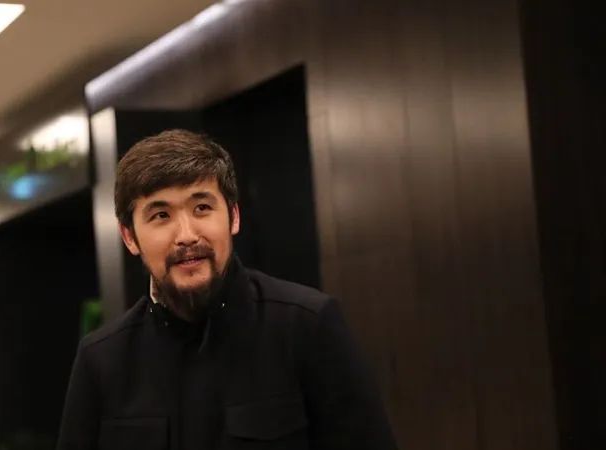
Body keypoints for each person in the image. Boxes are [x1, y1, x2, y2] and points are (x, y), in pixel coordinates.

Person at [57, 129, 397, 450]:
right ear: (129, 237)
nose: (186, 235)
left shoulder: (306, 326)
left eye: (202, 208)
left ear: (233, 216)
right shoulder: (101, 360)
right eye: (160, 215)